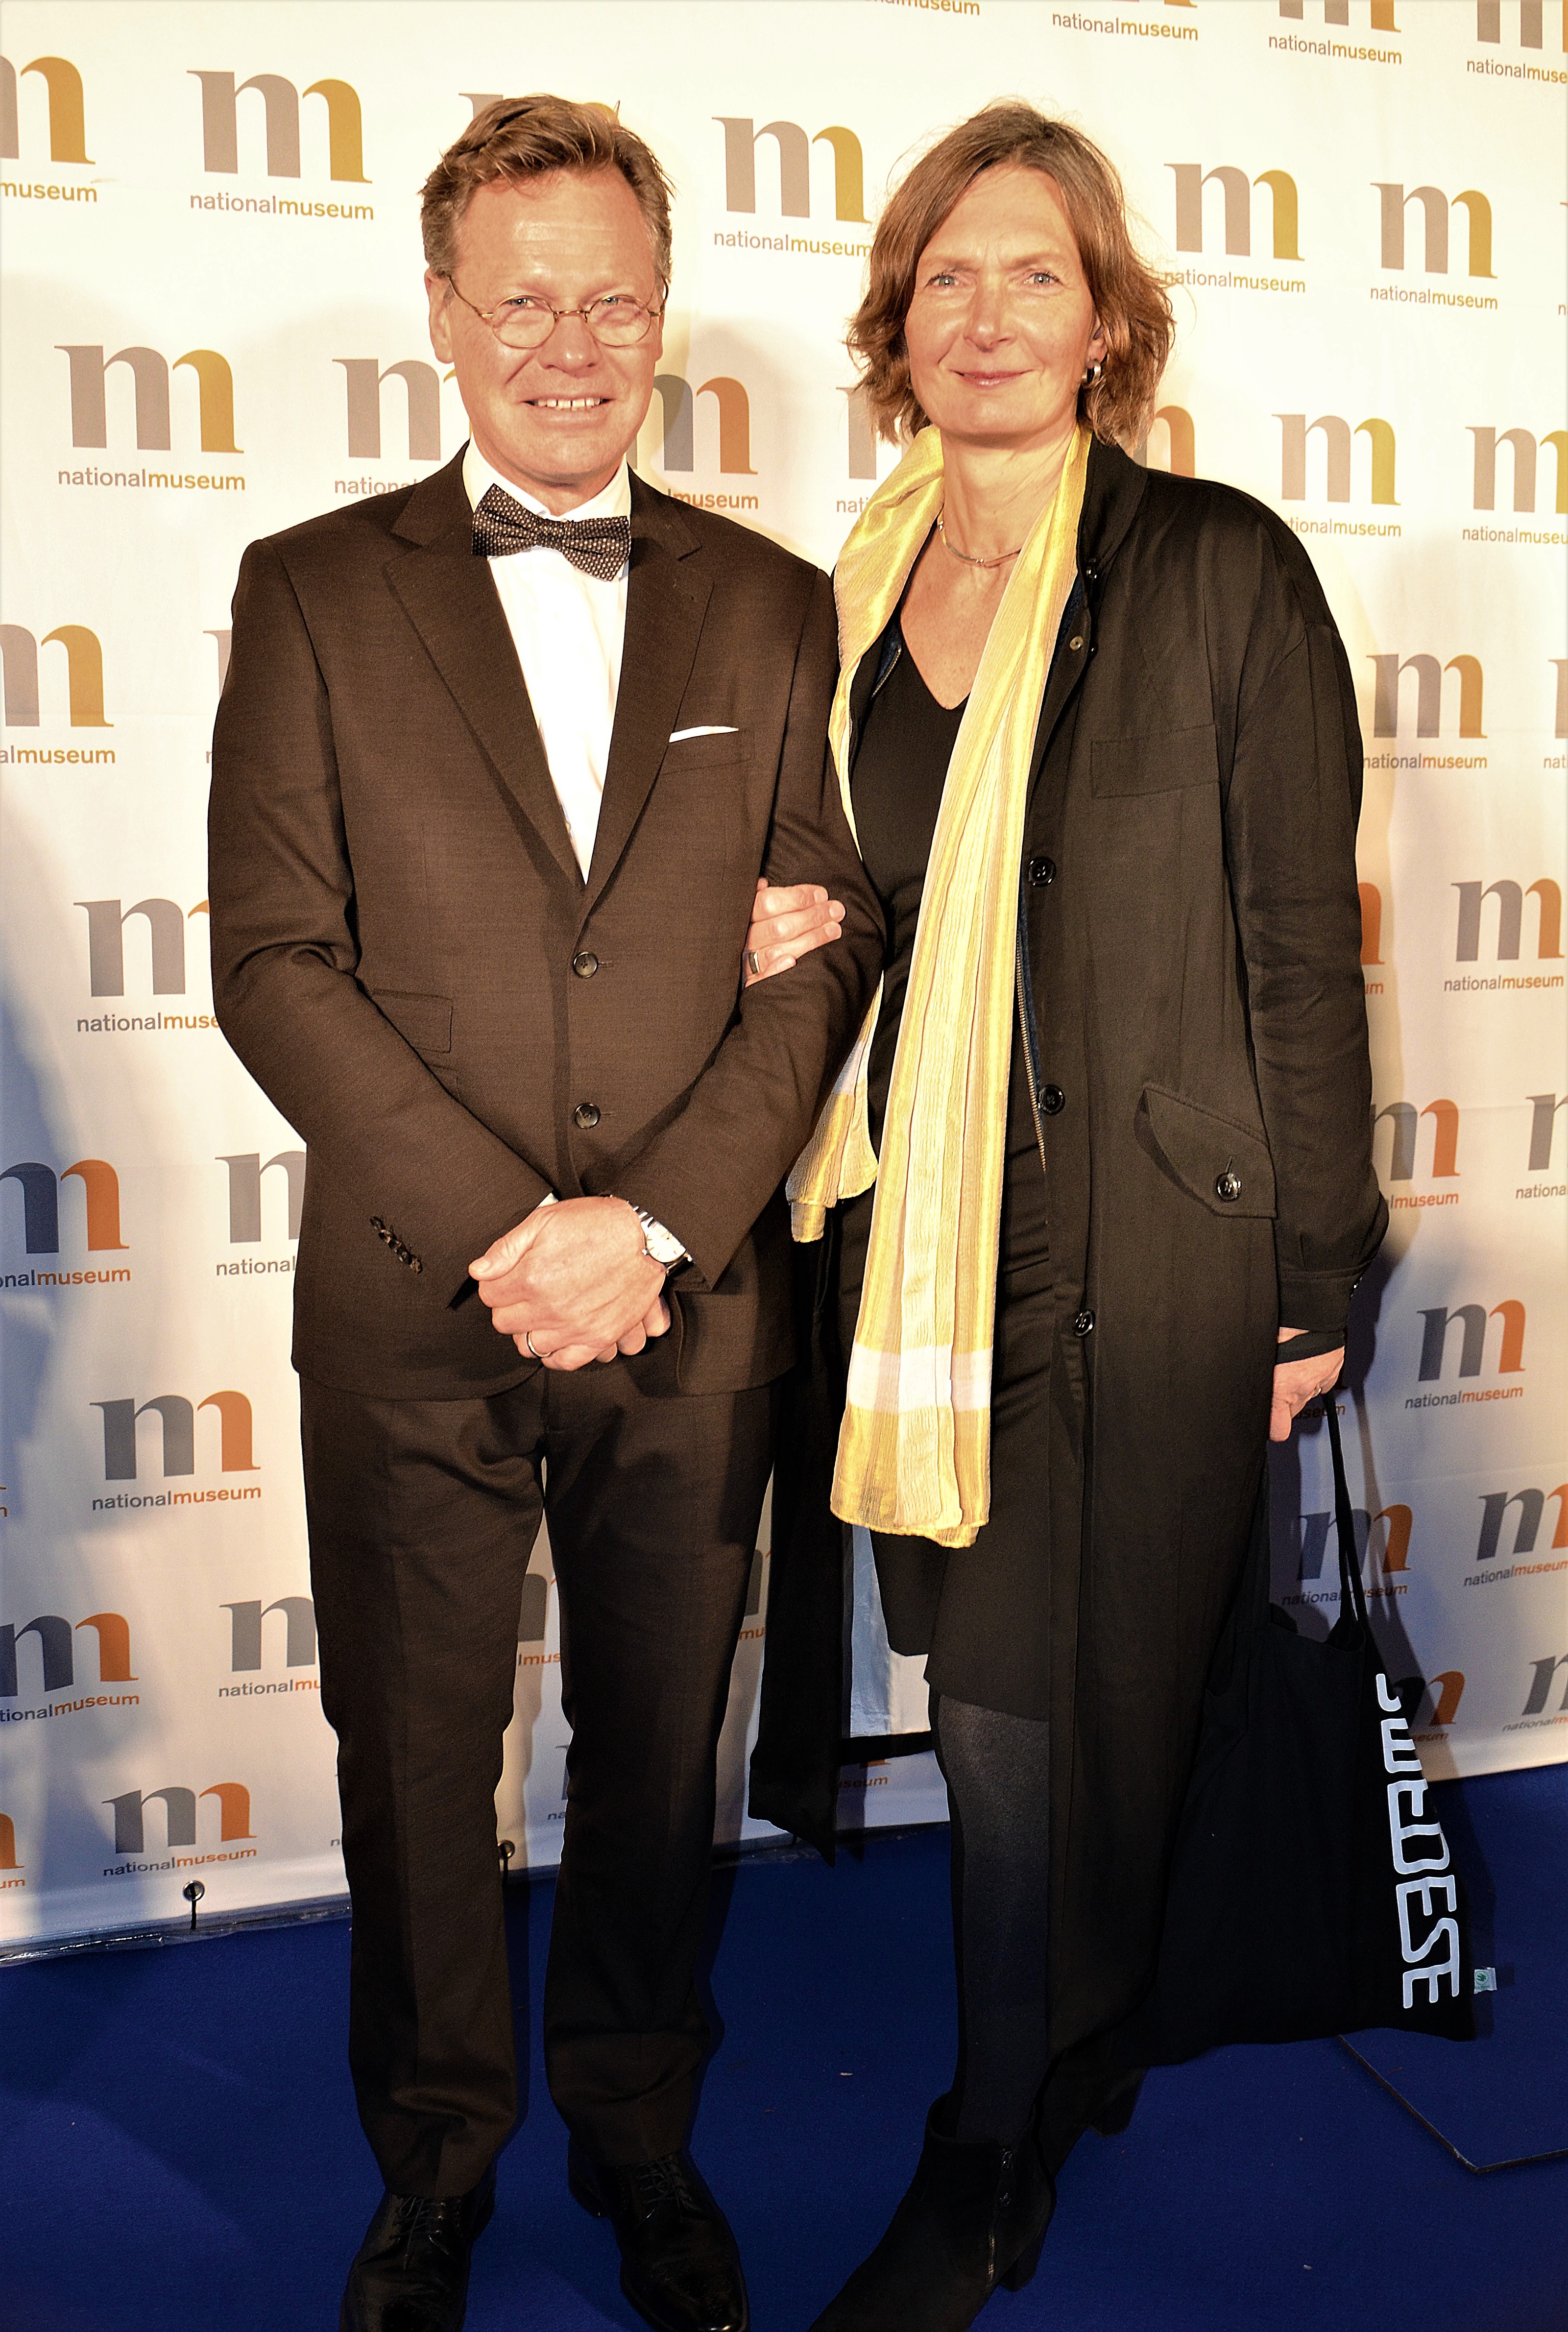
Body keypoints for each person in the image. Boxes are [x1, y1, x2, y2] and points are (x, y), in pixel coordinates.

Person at [207, 95, 879, 2332]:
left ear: (661, 310)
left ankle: (639, 2133)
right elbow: (272, 959)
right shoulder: (309, 591)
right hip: (416, 1303)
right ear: (441, 313)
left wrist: (652, 1226)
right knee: (413, 1768)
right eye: (523, 301)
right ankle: (432, 2166)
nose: (570, 346)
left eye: (611, 299)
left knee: (660, 1759)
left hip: (692, 1308)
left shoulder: (776, 608)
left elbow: (823, 953)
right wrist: (521, 1229)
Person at [742, 102, 1387, 2331]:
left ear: (1106, 322)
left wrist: (1315, 1274)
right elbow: (858, 899)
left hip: (1145, 1243)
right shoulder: (841, 592)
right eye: (947, 274)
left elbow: (1299, 943)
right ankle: (1083, 2028)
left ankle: (990, 2139)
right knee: (992, 1673)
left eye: (1034, 272)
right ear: (897, 321)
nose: (987, 313)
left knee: (1024, 1700)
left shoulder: (1219, 568)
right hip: (900, 1238)